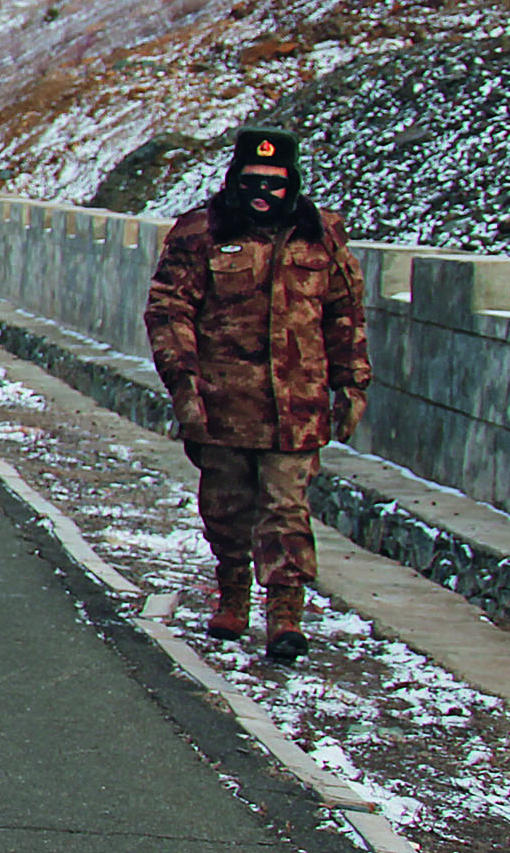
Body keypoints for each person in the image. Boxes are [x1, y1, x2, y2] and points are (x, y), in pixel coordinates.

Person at [143, 126, 369, 663]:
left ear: (292, 182)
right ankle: (233, 592)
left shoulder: (321, 236)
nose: (263, 192)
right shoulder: (200, 233)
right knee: (226, 509)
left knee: (286, 510)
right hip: (222, 406)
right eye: (252, 181)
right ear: (233, 181)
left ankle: (285, 613)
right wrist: (184, 386)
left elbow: (345, 315)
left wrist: (352, 383)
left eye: (275, 181)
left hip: (297, 406)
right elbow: (169, 312)